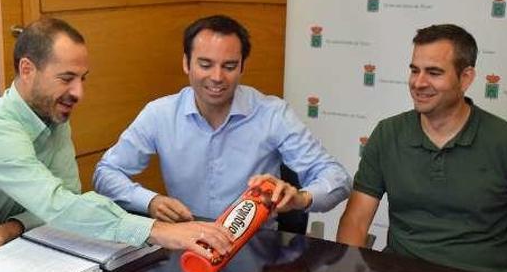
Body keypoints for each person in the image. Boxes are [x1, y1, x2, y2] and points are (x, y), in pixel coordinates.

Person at [0, 18, 233, 261]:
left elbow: (68, 196)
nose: (78, 93)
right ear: (27, 69)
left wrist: (12, 226)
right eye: (66, 78)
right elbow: (58, 206)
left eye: (82, 79)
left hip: (12, 251)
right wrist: (160, 231)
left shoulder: (52, 116)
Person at [336, 24, 507, 272]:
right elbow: (356, 221)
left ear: (466, 78)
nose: (419, 82)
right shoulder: (387, 134)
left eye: (434, 72)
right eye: (414, 70)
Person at [92, 15, 351, 225]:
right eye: (205, 64)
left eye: (228, 66)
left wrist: (302, 198)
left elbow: (337, 178)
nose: (217, 77)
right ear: (186, 63)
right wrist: (150, 201)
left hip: (257, 249)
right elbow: (106, 174)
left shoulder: (273, 113)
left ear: (242, 67)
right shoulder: (160, 114)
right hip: (187, 240)